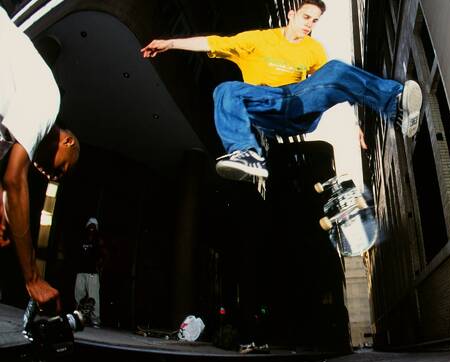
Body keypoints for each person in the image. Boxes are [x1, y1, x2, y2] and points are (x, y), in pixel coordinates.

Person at [141, 0, 422, 181]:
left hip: (299, 105)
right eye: (306, 17)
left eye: (315, 22)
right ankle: (245, 153)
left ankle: (395, 106)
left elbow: (335, 84)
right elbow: (212, 42)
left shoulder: (314, 49)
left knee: (335, 69)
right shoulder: (258, 40)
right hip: (268, 105)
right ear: (291, 14)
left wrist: (357, 125)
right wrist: (170, 44)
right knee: (226, 91)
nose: (309, 26)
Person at [0, 8, 80, 311]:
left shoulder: (10, 129)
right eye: (62, 168)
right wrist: (32, 277)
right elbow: (13, 178)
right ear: (67, 141)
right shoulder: (48, 103)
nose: (52, 175)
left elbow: (4, 179)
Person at [74, 217, 104, 327]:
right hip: (81, 271)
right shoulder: (81, 239)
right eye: (90, 225)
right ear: (87, 227)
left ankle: (95, 319)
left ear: (96, 228)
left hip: (92, 273)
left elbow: (103, 255)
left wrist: (100, 267)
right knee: (79, 295)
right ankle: (78, 317)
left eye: (94, 226)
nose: (92, 227)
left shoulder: (98, 241)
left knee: (94, 297)